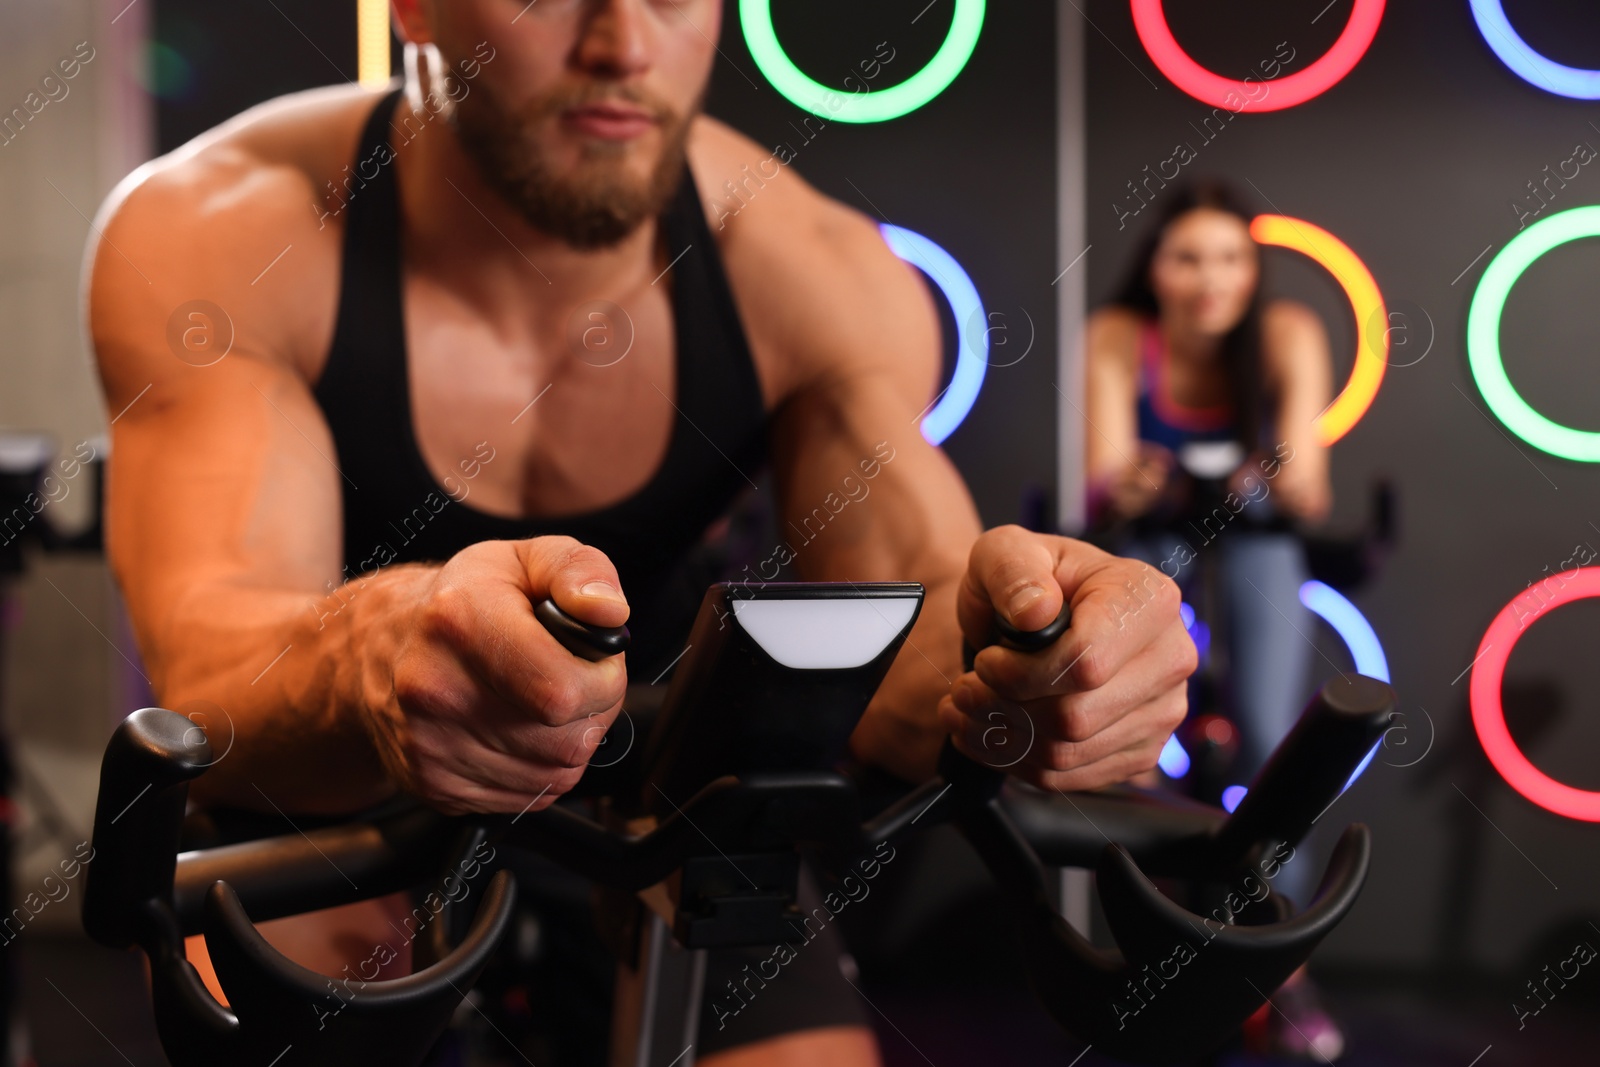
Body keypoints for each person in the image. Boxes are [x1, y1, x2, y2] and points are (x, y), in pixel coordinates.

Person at [84, 2, 1193, 1064]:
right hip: (330, 790)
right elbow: (210, 659)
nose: (622, 44)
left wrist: (1037, 657)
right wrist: (379, 644)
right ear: (415, 6)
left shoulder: (812, 267)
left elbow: (914, 637)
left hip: (654, 792)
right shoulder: (223, 228)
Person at [1084, 179, 1343, 1061]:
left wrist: (1266, 476)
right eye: (1189, 257)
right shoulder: (1119, 339)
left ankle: (1283, 969)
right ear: (1155, 266)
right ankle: (1154, 945)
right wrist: (1136, 482)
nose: (1210, 278)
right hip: (1160, 542)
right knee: (1137, 734)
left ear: (1253, 268)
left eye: (1230, 258)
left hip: (1256, 539)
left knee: (1277, 738)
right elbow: (1100, 482)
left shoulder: (1287, 335)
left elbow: (1312, 485)